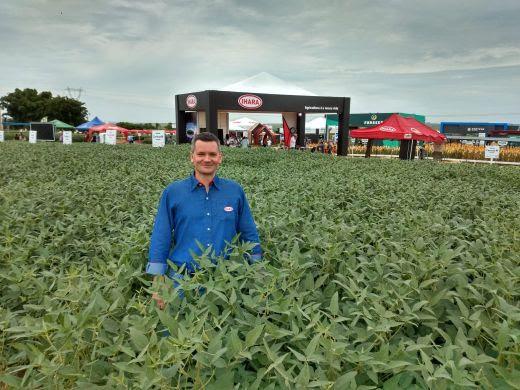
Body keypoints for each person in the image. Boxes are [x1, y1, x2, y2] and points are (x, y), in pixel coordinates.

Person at [146, 132, 262, 308]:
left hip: (226, 281)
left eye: (212, 154)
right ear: (192, 157)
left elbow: (248, 232)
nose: (207, 159)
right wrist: (158, 281)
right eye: (201, 154)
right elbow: (161, 235)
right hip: (181, 279)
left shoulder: (234, 191)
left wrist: (257, 270)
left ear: (220, 158)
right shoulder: (173, 192)